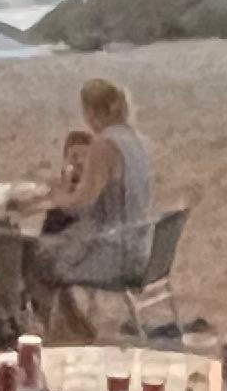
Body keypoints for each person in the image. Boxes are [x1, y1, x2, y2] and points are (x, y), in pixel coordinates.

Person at [29, 78, 155, 338]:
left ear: (90, 112)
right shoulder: (136, 140)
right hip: (141, 247)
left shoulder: (104, 144)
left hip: (114, 252)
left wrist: (48, 201)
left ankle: (60, 333)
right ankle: (74, 325)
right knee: (50, 250)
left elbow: (83, 200)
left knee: (32, 257)